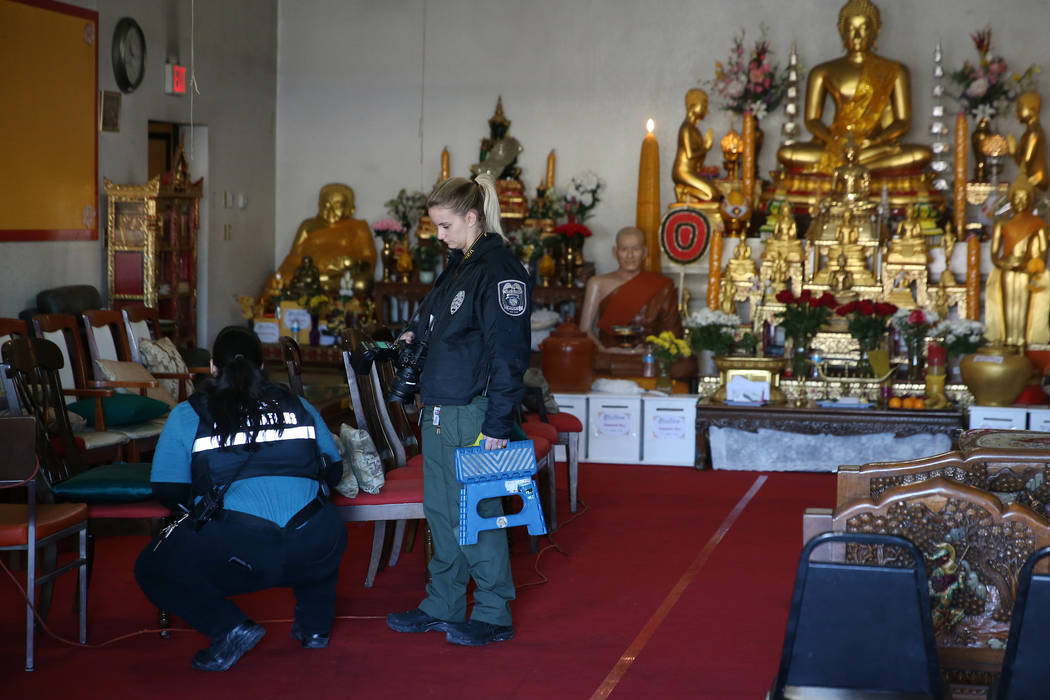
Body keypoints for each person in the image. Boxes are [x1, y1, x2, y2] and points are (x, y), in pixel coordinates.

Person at [134, 326, 346, 671]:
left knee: (151, 567)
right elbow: (333, 472)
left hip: (241, 554)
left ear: (213, 367)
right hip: (317, 543)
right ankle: (315, 628)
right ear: (262, 366)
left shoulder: (190, 414)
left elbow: (168, 491)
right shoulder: (299, 404)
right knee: (315, 519)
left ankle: (230, 627)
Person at [385, 173, 531, 647]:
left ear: (472, 217)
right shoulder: (458, 264)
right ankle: (442, 603)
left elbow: (509, 353)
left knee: (478, 512)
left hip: (475, 412)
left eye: (446, 226)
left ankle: (493, 612)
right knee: (441, 513)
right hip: (440, 409)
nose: (439, 235)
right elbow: (435, 320)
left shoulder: (499, 269)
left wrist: (498, 424)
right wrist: (412, 336)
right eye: (436, 227)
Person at [776, 0, 931, 175]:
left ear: (876, 30)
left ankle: (845, 170)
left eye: (864, 28)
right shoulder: (822, 71)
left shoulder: (895, 71)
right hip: (837, 146)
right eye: (851, 29)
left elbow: (903, 122)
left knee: (921, 154)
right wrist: (835, 141)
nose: (857, 35)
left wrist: (876, 141)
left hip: (875, 148)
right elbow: (812, 120)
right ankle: (859, 170)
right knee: (787, 153)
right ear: (841, 31)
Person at [578, 227, 683, 355]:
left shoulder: (661, 285)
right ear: (615, 252)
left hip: (648, 356)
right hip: (610, 355)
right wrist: (604, 350)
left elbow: (672, 334)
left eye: (636, 249)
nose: (630, 255)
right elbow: (585, 330)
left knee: (685, 365)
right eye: (624, 249)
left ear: (645, 252)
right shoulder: (597, 283)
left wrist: (652, 351)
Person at [262, 183, 377, 300]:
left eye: (337, 206)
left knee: (362, 283)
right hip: (310, 275)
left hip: (340, 276)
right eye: (326, 205)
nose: (331, 210)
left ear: (350, 209)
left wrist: (350, 263)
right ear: (319, 206)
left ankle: (317, 290)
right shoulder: (308, 225)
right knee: (280, 280)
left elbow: (369, 258)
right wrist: (309, 269)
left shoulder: (358, 227)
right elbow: (294, 256)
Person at [986, 178, 1050, 347]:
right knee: (1008, 304)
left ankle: (1022, 341)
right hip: (1007, 268)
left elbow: (1043, 250)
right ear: (1011, 200)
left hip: (1027, 269)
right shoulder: (1002, 223)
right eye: (1017, 198)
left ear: (1030, 201)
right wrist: (1001, 264)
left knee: (1024, 305)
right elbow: (994, 253)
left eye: (1024, 198)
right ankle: (1008, 340)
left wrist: (1033, 265)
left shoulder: (1039, 224)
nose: (1020, 202)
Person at [672, 88, 717, 202]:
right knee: (712, 195)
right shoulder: (686, 128)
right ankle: (684, 191)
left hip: (691, 171)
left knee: (717, 194)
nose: (706, 111)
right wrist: (706, 148)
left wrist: (704, 148)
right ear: (693, 105)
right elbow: (690, 155)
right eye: (704, 106)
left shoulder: (696, 131)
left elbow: (698, 162)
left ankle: (689, 195)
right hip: (682, 171)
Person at [1008, 91, 1049, 194]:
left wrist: (1013, 151)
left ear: (1032, 110)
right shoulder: (1029, 132)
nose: (1017, 112)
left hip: (1036, 178)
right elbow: (1023, 163)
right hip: (1031, 176)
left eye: (1020, 108)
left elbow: (1026, 161)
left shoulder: (1034, 133)